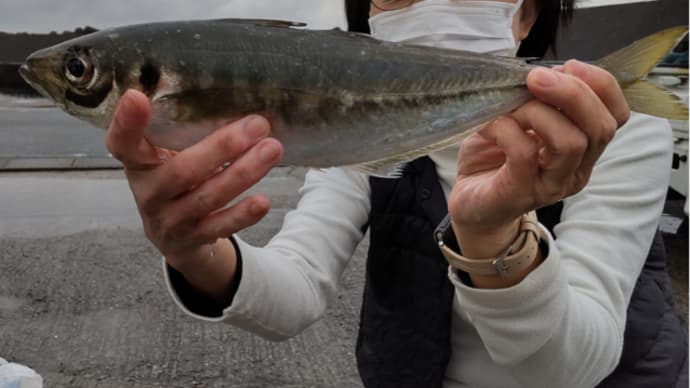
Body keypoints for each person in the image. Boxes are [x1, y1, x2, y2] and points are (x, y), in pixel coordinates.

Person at [105, 0, 688, 387]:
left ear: (525, 14)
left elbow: (577, 365)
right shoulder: (357, 135)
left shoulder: (612, 129)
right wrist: (193, 251)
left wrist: (493, 239)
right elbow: (296, 288)